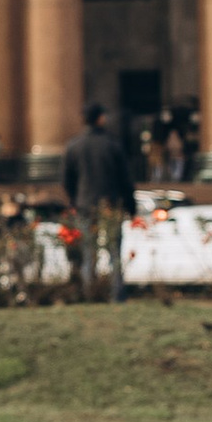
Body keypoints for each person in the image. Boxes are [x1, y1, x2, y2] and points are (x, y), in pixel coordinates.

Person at [60, 103, 134, 302]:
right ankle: (116, 293)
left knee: (87, 251)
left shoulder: (74, 146)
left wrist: (75, 200)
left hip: (85, 204)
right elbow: (125, 179)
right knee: (114, 251)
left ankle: (89, 293)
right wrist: (130, 205)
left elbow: (67, 180)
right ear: (100, 118)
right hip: (110, 204)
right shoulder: (112, 144)